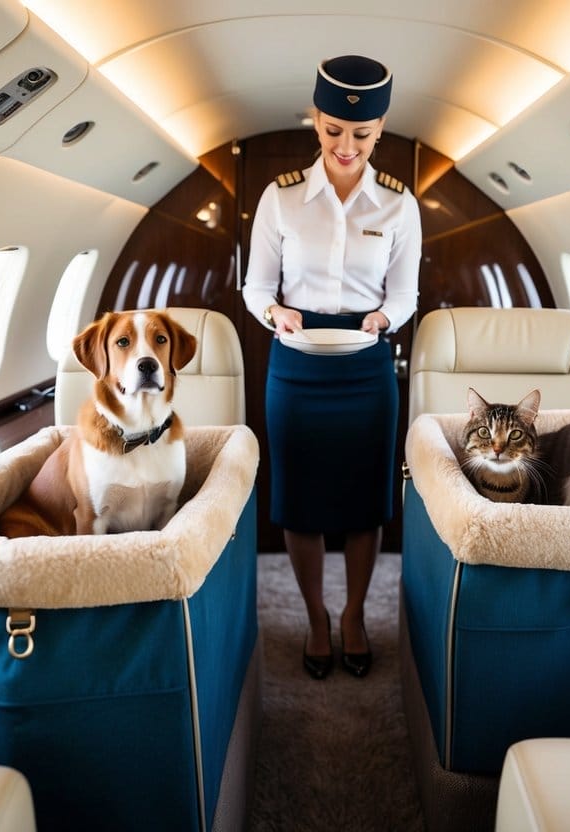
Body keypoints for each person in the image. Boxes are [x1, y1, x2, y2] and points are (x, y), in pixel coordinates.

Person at [243, 55, 422, 679]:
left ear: (380, 130)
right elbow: (255, 287)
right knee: (300, 500)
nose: (347, 147)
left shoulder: (399, 206)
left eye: (362, 135)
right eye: (333, 131)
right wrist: (276, 313)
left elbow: (404, 295)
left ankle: (353, 615)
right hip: (295, 361)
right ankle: (317, 617)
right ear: (315, 120)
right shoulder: (281, 198)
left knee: (365, 501)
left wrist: (383, 319)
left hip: (367, 366)